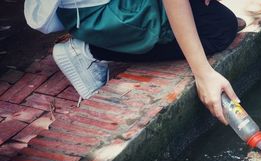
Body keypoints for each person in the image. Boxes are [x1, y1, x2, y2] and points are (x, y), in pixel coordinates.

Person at [48, 0, 242, 125]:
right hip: (93, 11)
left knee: (213, 18)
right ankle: (88, 50)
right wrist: (204, 74)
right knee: (217, 30)